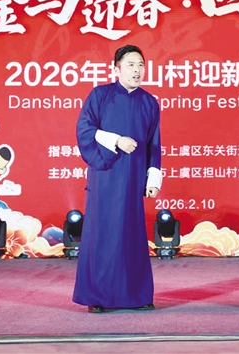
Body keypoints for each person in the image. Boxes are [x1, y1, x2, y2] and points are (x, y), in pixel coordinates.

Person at [73, 45, 162, 313]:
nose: (137, 70)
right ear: (116, 69)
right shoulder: (100, 95)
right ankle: (98, 298)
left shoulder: (149, 102)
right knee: (103, 233)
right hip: (106, 174)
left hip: (134, 176)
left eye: (141, 65)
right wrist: (116, 140)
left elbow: (154, 143)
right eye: (131, 64)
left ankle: (136, 295)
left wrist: (153, 177)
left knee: (132, 233)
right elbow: (85, 129)